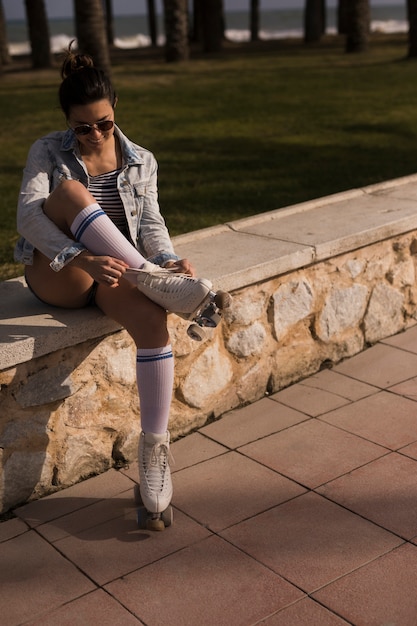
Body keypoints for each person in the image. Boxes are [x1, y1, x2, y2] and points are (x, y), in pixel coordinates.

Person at [14, 45, 214, 530]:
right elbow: (26, 217)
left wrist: (167, 258)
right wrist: (82, 256)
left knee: (152, 324)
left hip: (116, 272)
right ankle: (152, 276)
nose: (96, 134)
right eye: (83, 127)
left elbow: (151, 222)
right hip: (60, 273)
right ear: (68, 122)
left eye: (103, 122)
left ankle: (154, 452)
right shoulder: (48, 150)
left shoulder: (142, 159)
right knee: (67, 194)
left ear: (115, 107)